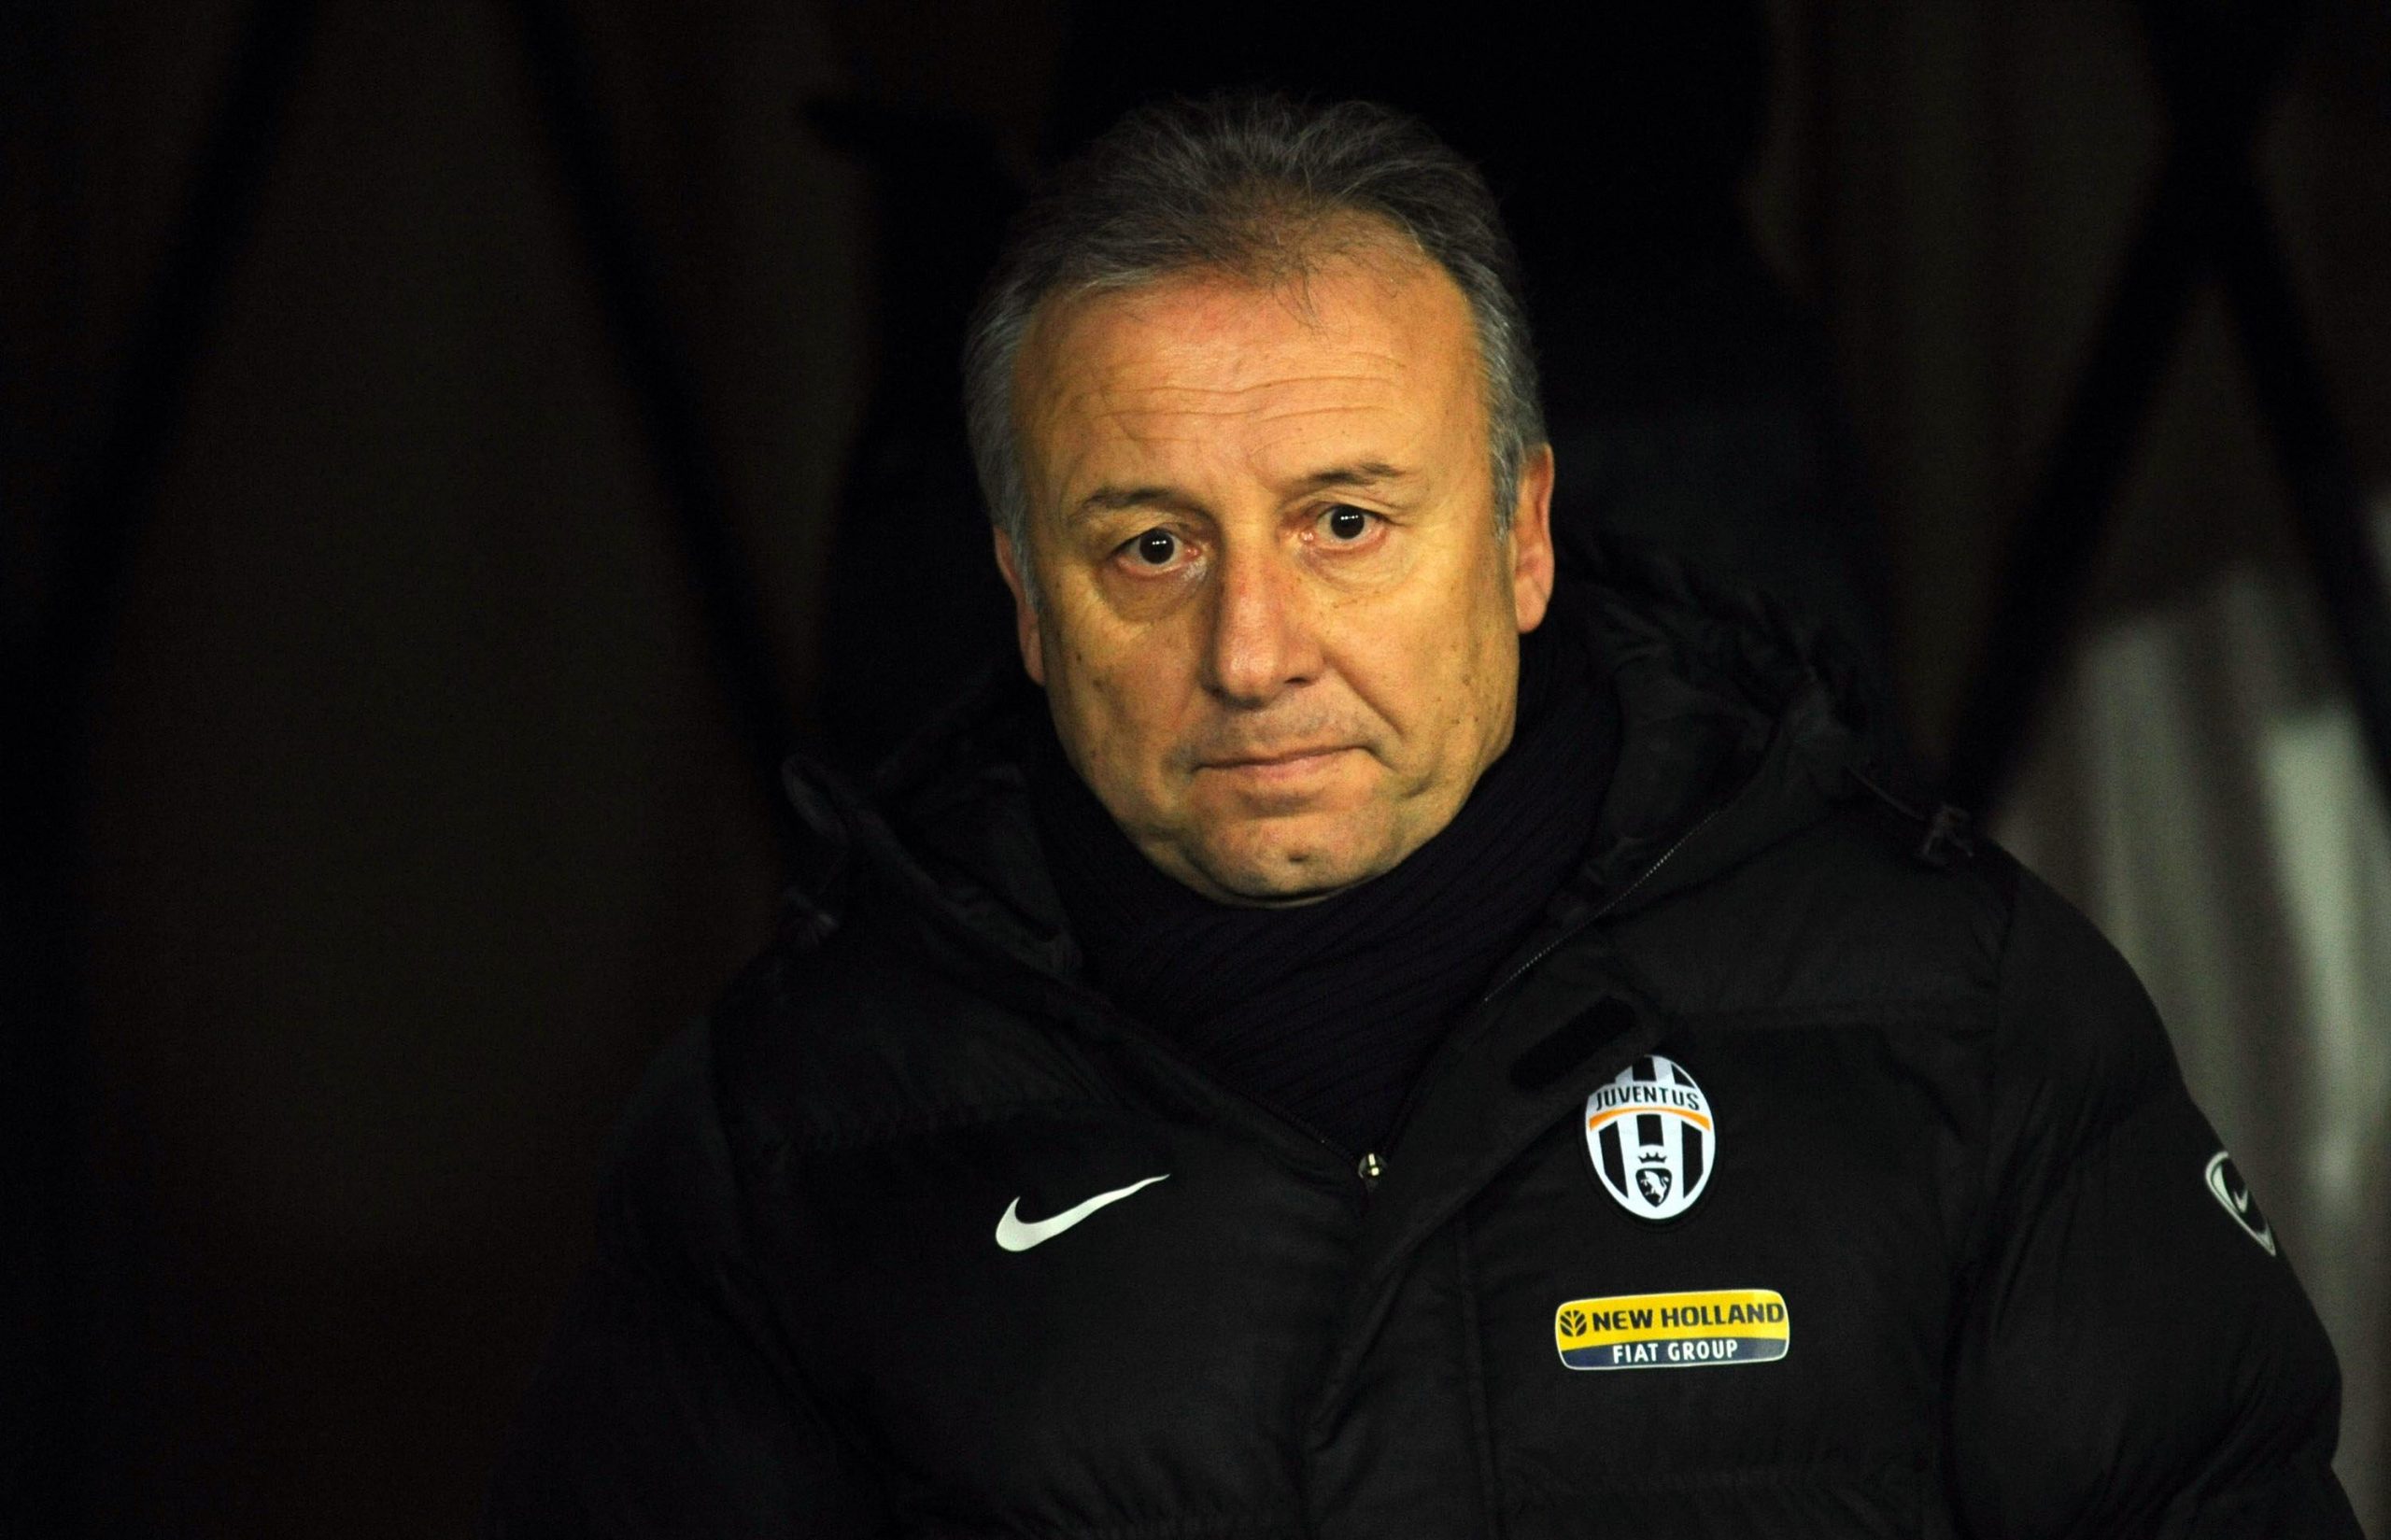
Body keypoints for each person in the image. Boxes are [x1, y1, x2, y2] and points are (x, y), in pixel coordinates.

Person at [484, 94, 2360, 1537]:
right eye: (1150, 547)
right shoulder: (798, 1130)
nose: (1252, 651)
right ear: (1024, 596)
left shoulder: (1953, 1019)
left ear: (1524, 534)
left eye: (1344, 523)